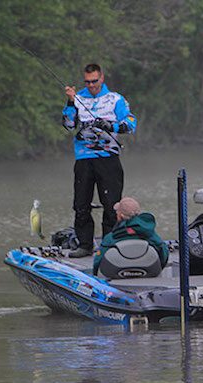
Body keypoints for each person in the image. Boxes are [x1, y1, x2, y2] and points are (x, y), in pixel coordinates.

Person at [62, 64, 137, 258]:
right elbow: (69, 125)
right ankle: (85, 244)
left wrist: (111, 125)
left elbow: (131, 124)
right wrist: (70, 103)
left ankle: (109, 245)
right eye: (87, 82)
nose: (91, 85)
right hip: (84, 158)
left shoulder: (115, 99)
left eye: (94, 81)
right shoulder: (77, 97)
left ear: (101, 78)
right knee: (81, 203)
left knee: (112, 204)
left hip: (108, 158)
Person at [92, 197, 169, 276]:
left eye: (117, 212)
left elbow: (98, 261)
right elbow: (163, 253)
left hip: (117, 277)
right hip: (148, 275)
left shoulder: (110, 238)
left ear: (120, 216)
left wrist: (95, 274)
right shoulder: (150, 235)